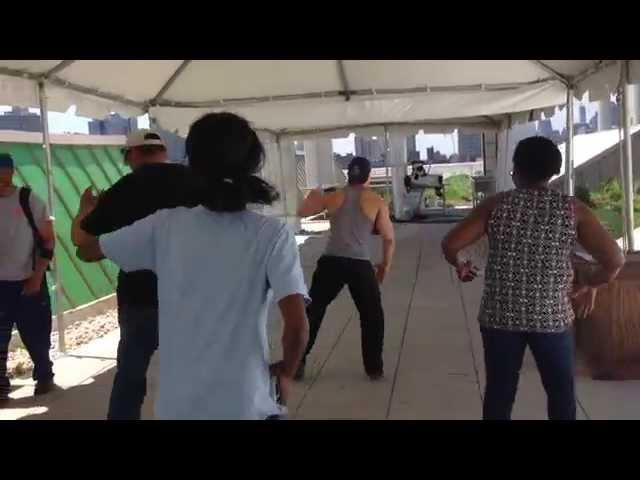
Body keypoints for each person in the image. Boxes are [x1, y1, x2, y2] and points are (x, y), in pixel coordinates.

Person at [76, 112, 309, 420]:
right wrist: (287, 372)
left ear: (193, 163)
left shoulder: (165, 226)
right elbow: (297, 326)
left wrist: (86, 211)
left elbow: (88, 250)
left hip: (179, 408)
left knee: (131, 374)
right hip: (246, 404)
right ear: (253, 163)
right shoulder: (272, 234)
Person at [442, 136, 625, 420]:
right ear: (553, 171)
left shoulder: (496, 205)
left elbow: (451, 244)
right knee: (561, 392)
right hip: (551, 318)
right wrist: (590, 283)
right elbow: (614, 260)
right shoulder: (573, 210)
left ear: (516, 169)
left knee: (500, 392)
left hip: (500, 316)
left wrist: (461, 264)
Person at [71, 130, 202, 420]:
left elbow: (82, 241)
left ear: (132, 154)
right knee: (195, 373)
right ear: (163, 152)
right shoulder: (197, 181)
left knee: (131, 375)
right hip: (194, 295)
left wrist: (85, 209)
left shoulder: (126, 187)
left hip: (141, 297)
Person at [296, 156, 395, 381]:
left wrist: (316, 192)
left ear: (348, 175)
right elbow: (388, 239)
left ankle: (297, 362)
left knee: (314, 310)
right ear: (369, 176)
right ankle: (374, 368)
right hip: (360, 264)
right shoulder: (376, 201)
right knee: (372, 316)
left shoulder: (334, 196)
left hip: (331, 261)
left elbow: (302, 211)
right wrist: (384, 267)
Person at [0, 153, 56, 403]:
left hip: (28, 280)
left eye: (3, 175)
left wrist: (37, 276)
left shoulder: (27, 200)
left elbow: (48, 240)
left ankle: (44, 374)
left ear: (11, 172)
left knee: (36, 336)